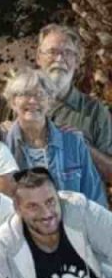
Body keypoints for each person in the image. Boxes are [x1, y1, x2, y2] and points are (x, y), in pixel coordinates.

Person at [4, 68, 107, 206]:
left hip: (73, 220)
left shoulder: (73, 142)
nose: (33, 100)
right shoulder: (2, 145)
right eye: (25, 94)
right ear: (12, 102)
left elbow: (95, 198)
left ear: (50, 101)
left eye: (40, 94)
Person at [35, 24, 112, 184]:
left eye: (68, 53)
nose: (59, 59)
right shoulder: (15, 105)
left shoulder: (96, 112)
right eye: (52, 52)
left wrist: (84, 148)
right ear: (38, 58)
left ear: (77, 62)